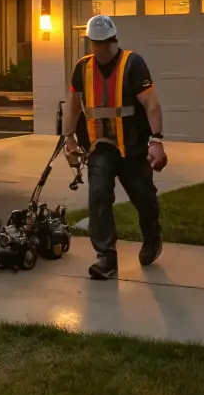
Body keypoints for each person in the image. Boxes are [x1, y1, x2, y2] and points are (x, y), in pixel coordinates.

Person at [61, 14, 167, 280]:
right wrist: (69, 139)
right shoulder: (82, 68)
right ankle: (106, 257)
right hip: (100, 148)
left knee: (144, 199)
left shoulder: (133, 64)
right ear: (90, 42)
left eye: (106, 42)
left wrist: (156, 140)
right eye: (95, 43)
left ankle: (152, 238)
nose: (101, 48)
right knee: (98, 196)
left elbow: (151, 104)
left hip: (133, 150)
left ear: (114, 39)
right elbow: (73, 106)